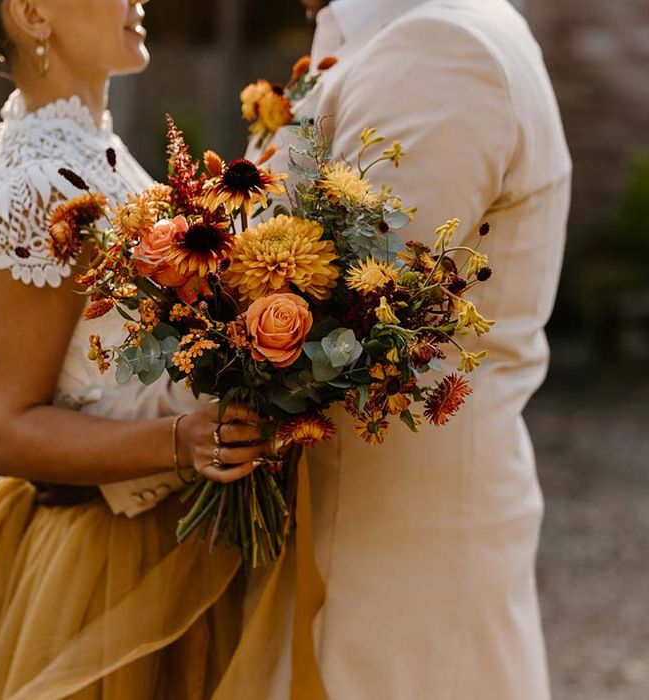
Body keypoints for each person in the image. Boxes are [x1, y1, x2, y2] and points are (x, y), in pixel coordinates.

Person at [0, 0, 269, 697]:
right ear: (33, 14)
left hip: (179, 536)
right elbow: (7, 428)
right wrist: (183, 440)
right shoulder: (36, 189)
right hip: (109, 561)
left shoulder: (93, 151)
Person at [244, 0, 571, 697]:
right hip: (375, 526)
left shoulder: (441, 49)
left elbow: (345, 323)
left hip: (396, 547)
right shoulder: (405, 34)